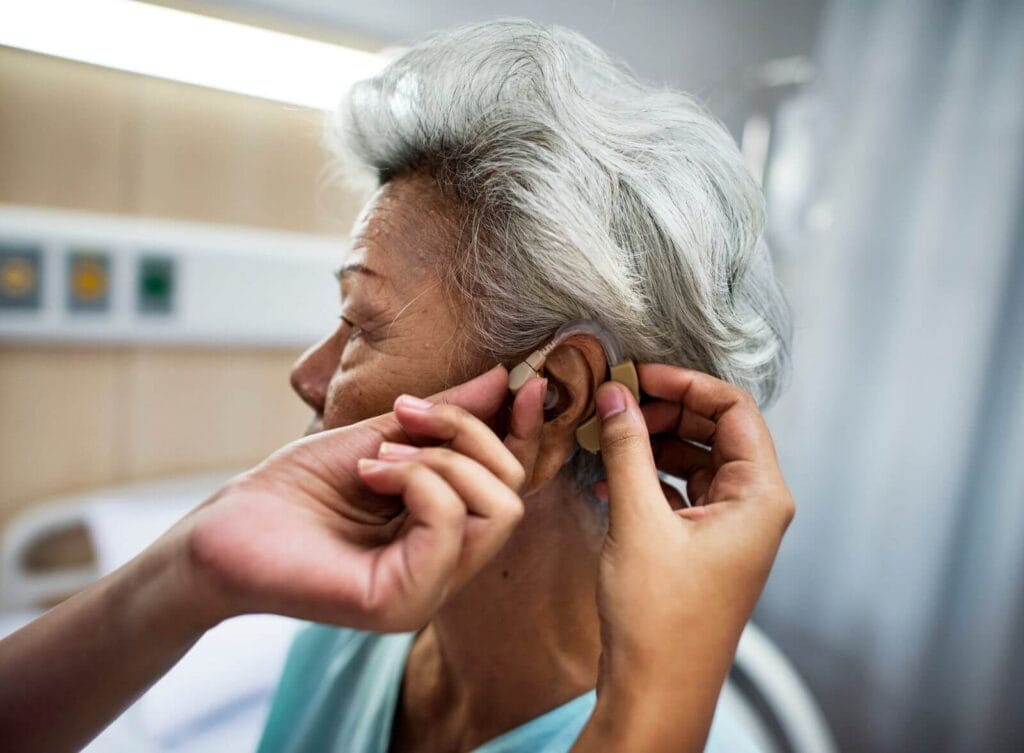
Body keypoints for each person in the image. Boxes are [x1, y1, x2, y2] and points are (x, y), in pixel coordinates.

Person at [0, 18, 795, 753]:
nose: (308, 376)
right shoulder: (348, 640)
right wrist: (195, 564)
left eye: (361, 322)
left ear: (552, 399)